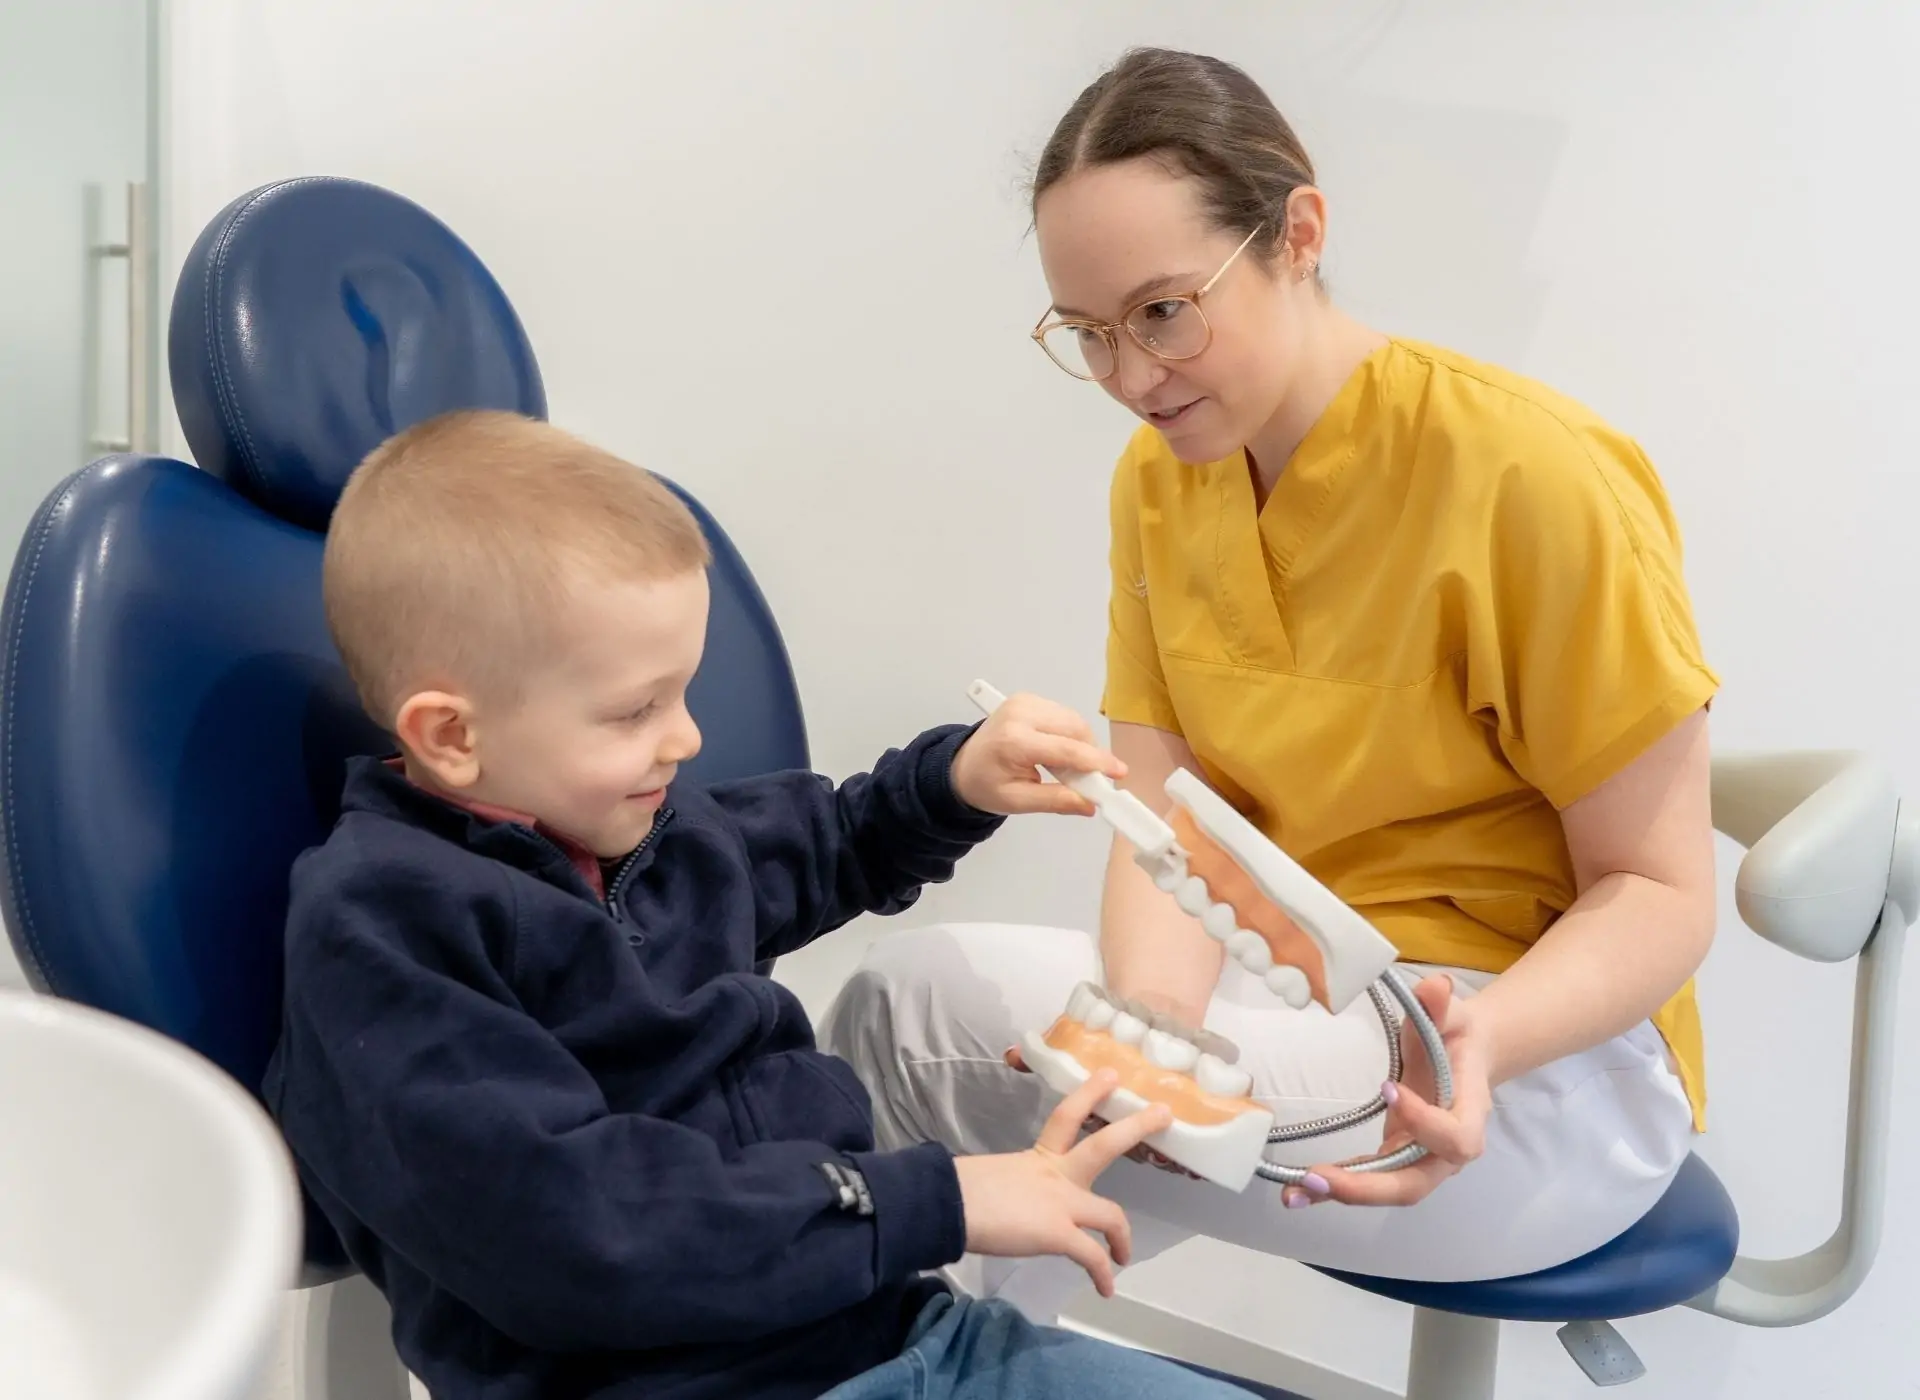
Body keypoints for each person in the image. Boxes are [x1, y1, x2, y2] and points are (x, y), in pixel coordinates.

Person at [819, 46, 1718, 1317]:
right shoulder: (1162, 480)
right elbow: (1167, 814)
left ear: (1298, 233)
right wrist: (1149, 1033)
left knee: (910, 1019)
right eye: (1088, 334)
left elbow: (1663, 892)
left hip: (1526, 1064)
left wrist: (1486, 1039)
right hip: (1295, 1001)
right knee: (1018, 1109)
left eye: (1163, 311)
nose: (1132, 379)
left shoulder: (1533, 476)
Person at [261, 410, 1266, 1400]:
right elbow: (577, 1229)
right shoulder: (387, 928)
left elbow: (828, 840)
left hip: (896, 1331)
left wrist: (957, 779)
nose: (685, 738)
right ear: (450, 736)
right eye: (636, 709)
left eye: (683, 693)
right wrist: (935, 1199)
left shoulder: (639, 829)